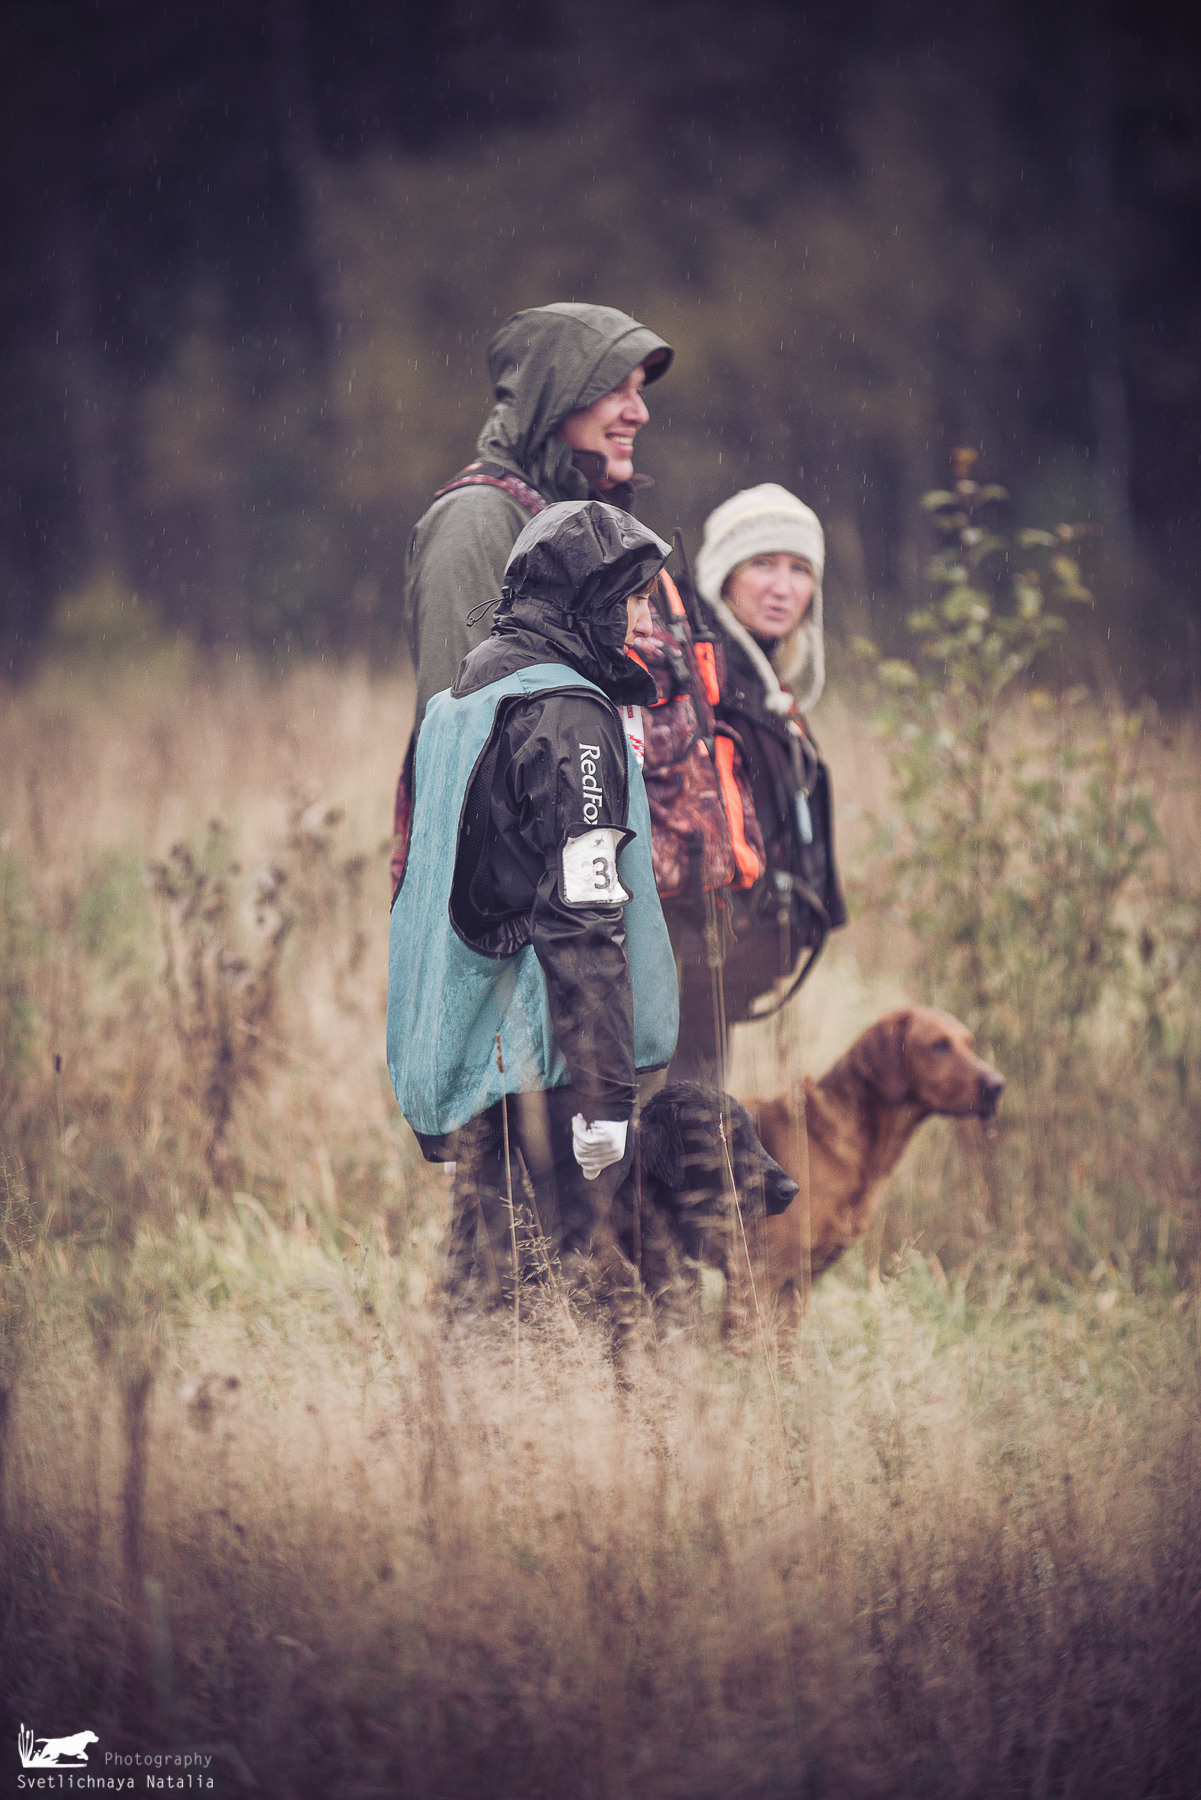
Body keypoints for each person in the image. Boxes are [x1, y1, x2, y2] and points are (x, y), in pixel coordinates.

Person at [388, 500, 679, 1306]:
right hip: (540, 1053)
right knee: (536, 1287)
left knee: (485, 1270)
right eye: (635, 595)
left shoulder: (467, 696)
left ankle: (447, 1421)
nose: (644, 613)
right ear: (590, 597)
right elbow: (584, 915)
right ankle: (503, 1426)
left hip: (474, 1046)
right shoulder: (565, 714)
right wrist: (603, 1098)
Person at [671, 483, 847, 1081]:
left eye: (800, 569)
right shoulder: (693, 675)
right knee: (680, 1149)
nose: (782, 587)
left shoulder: (762, 686)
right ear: (724, 575)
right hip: (679, 974)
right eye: (763, 563)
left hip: (714, 978)